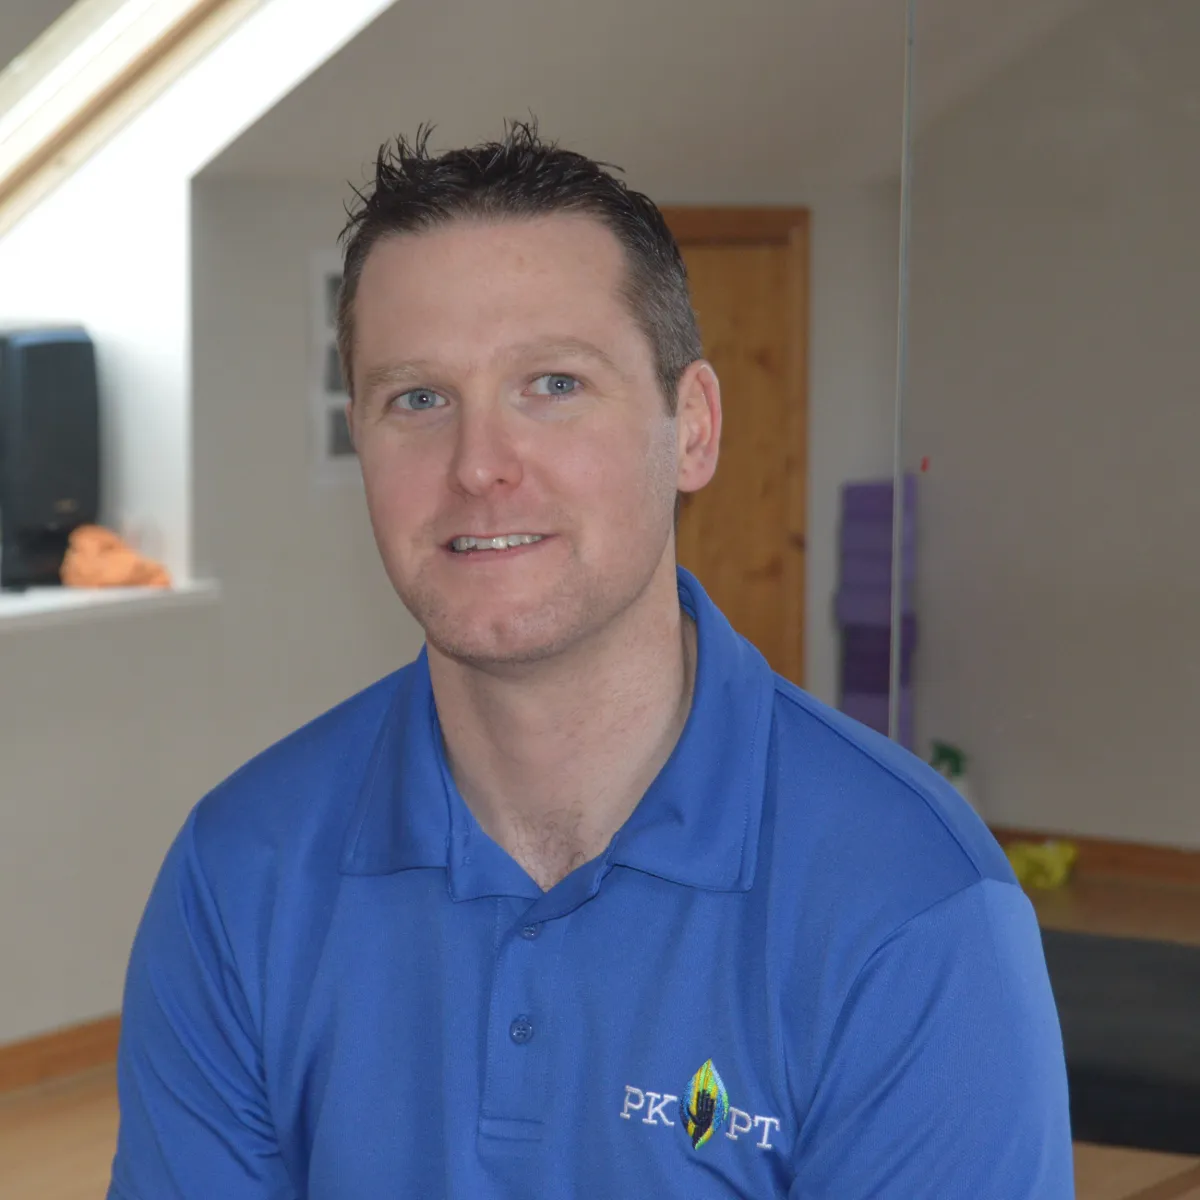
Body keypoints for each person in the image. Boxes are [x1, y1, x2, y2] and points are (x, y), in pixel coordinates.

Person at [107, 122, 1073, 1199]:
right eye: (417, 398)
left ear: (692, 428)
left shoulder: (912, 904)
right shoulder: (240, 871)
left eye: (553, 384)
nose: (479, 466)